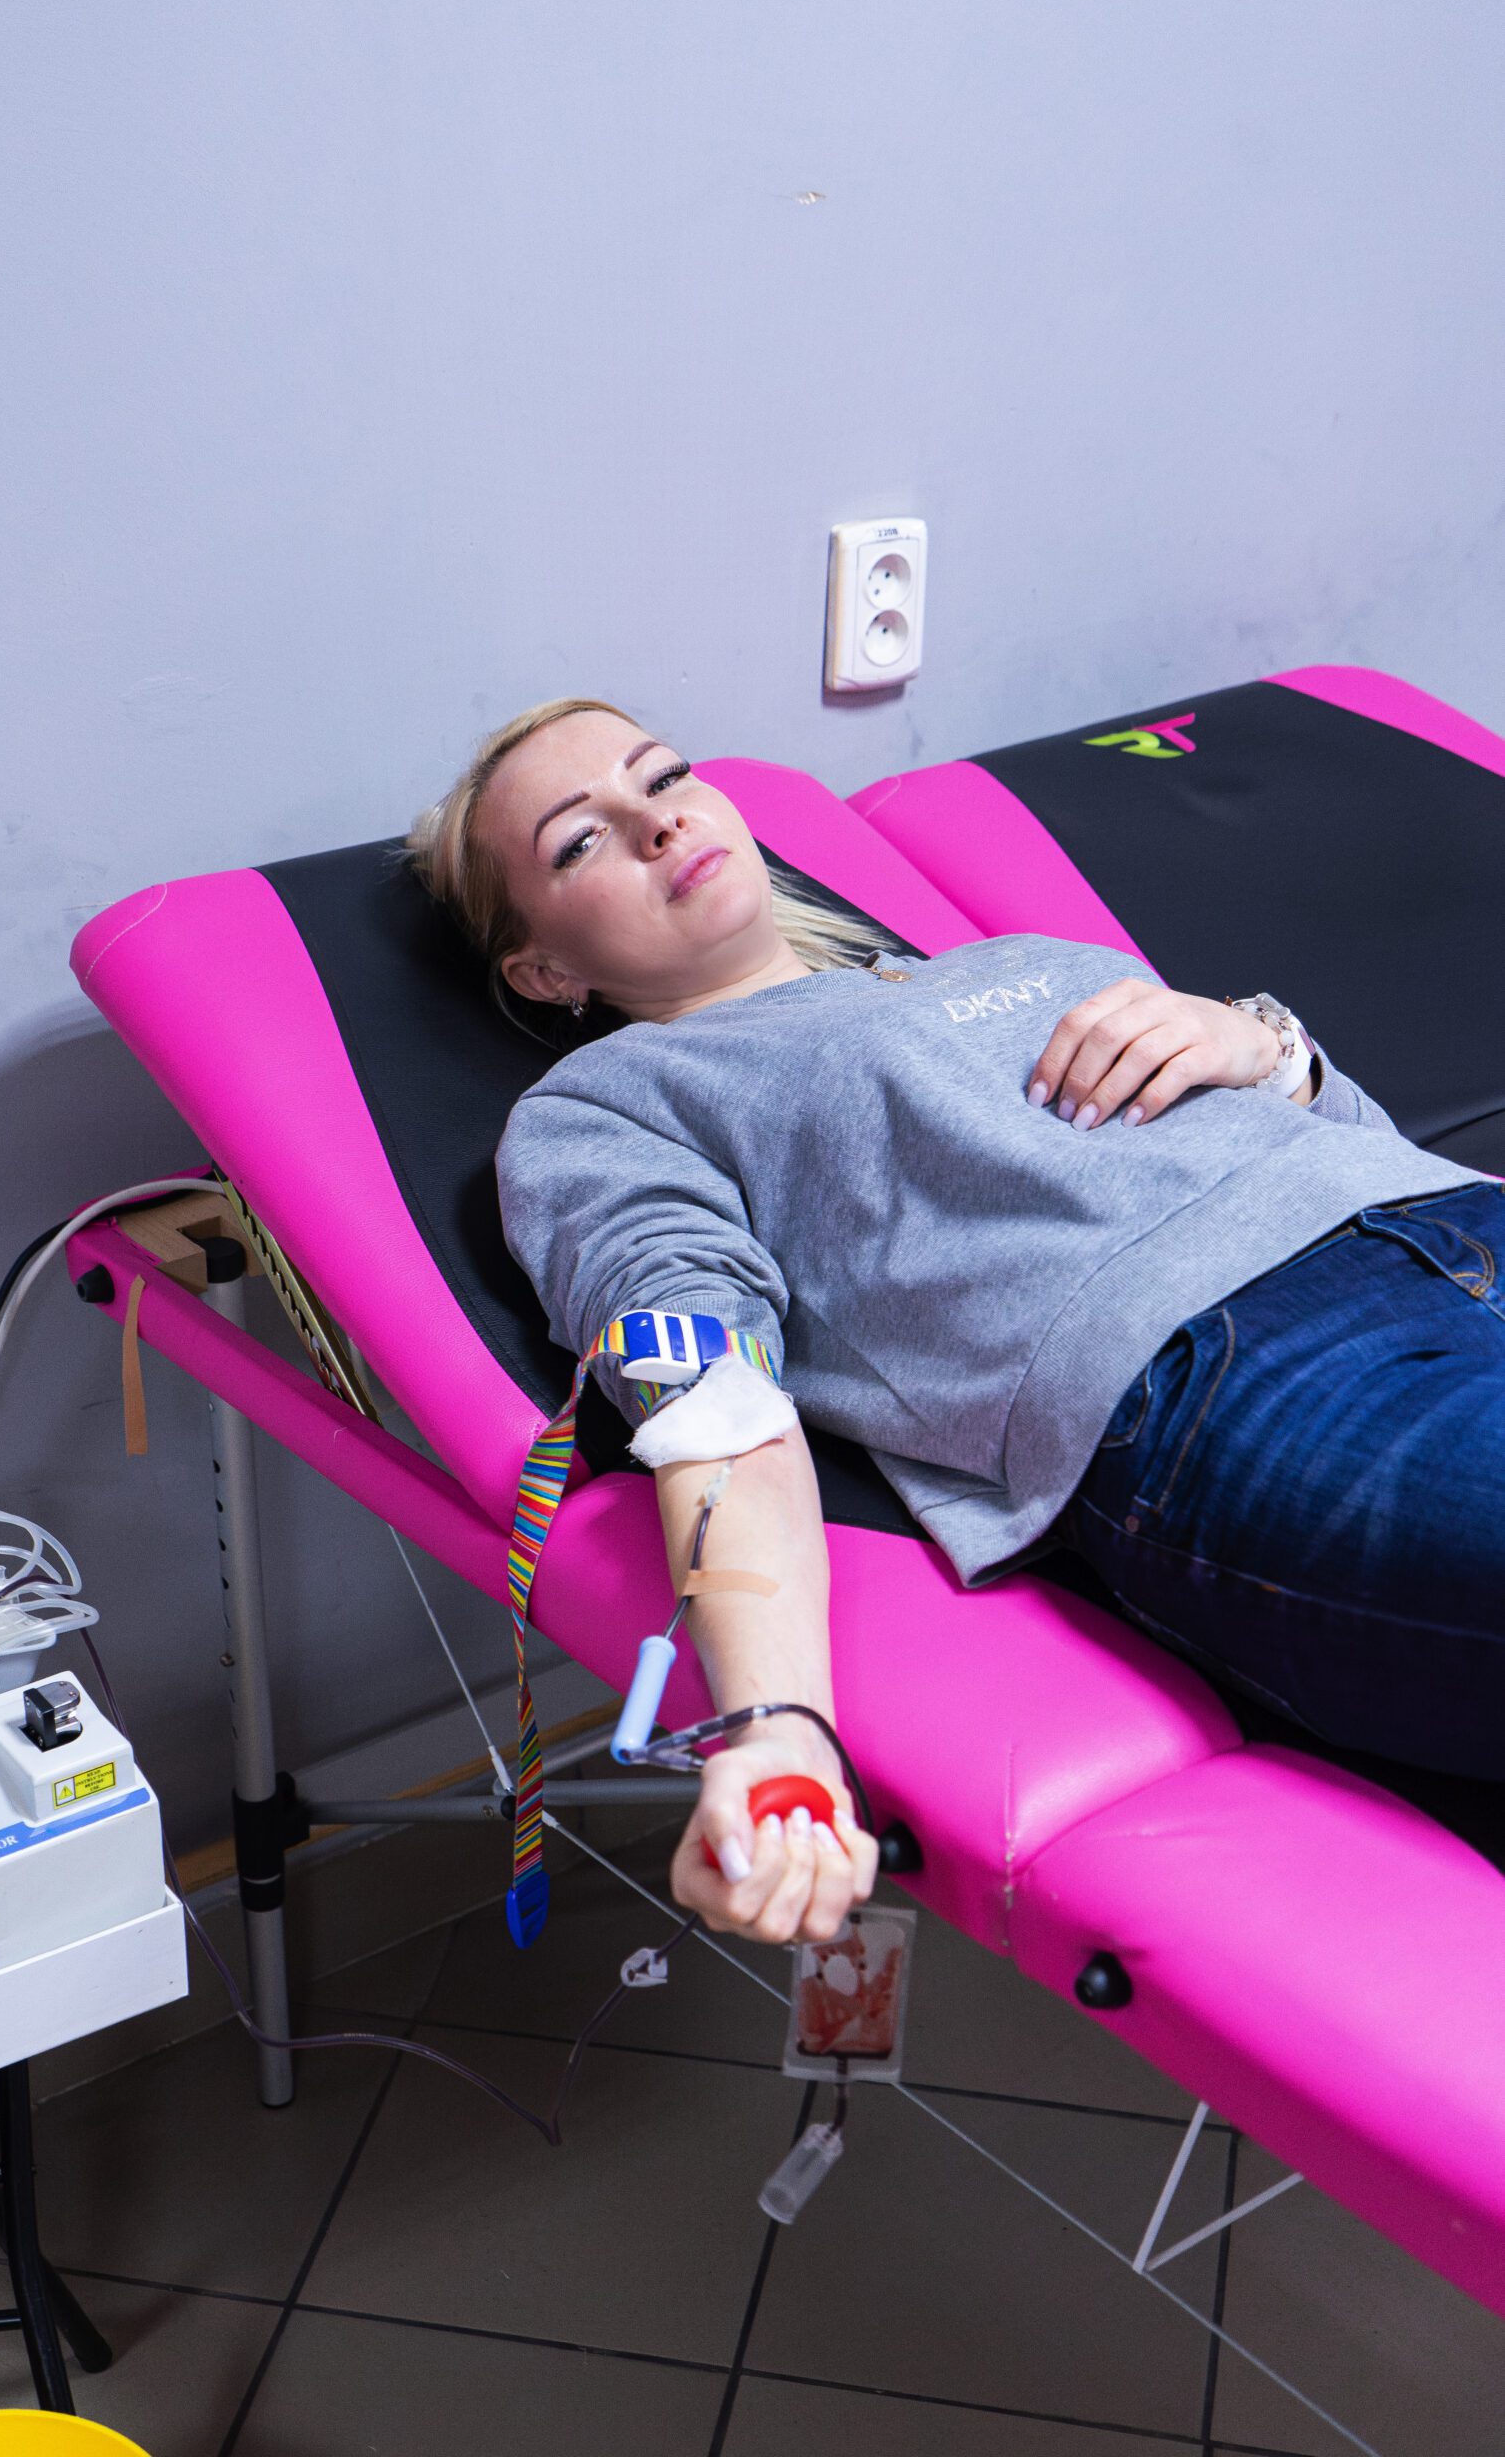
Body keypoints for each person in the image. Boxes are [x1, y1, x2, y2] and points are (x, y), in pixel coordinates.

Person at [408, 696, 1504, 1946]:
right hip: (1231, 1367)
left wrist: (1260, 1042)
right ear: (546, 971)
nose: (657, 821)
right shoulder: (607, 1107)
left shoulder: (1020, 957)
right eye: (580, 840)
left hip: (1450, 1215)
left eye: (661, 777)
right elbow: (713, 1407)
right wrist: (777, 1731)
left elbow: (1368, 1139)